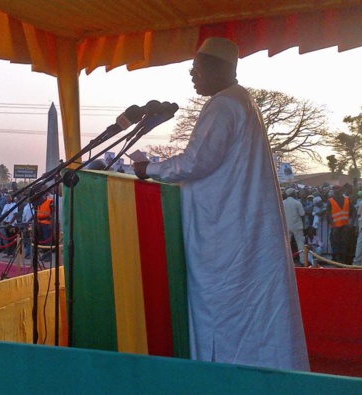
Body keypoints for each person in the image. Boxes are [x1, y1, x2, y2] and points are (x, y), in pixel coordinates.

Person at [132, 37, 308, 370]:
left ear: (218, 67)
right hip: (236, 227)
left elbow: (197, 162)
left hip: (223, 235)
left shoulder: (224, 104)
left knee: (222, 311)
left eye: (196, 69)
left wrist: (148, 169)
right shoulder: (241, 101)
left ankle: (222, 378)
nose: (192, 76)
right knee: (247, 313)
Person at [327, 185, 354, 264]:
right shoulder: (330, 201)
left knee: (345, 244)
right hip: (335, 227)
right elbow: (328, 214)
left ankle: (344, 261)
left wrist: (351, 223)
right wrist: (333, 225)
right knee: (335, 244)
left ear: (340, 189)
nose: (336, 190)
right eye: (334, 189)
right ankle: (337, 261)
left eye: (337, 188)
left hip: (345, 226)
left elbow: (354, 212)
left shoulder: (347, 200)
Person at [283, 188, 306, 265]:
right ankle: (303, 261)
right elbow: (302, 214)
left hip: (286, 226)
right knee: (300, 243)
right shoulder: (297, 203)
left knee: (286, 244)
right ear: (293, 194)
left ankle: (286, 261)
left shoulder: (283, 203)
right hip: (297, 226)